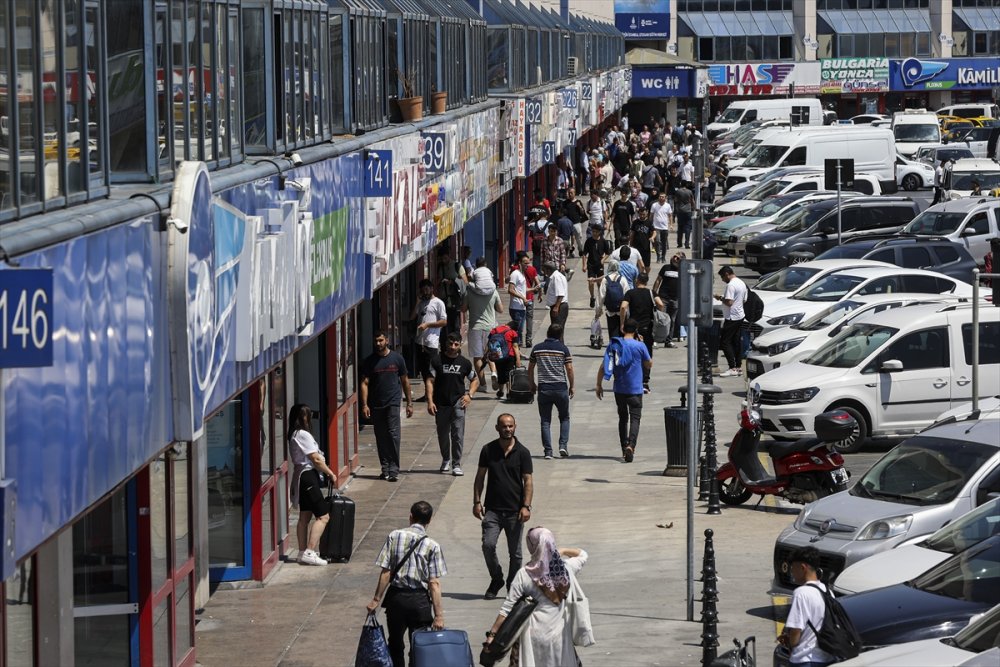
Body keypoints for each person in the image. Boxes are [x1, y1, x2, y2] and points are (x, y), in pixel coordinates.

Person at [484, 527, 588, 667]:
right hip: (559, 637)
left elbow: (506, 609)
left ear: (532, 546)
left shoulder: (524, 574)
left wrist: (492, 635)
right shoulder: (566, 568)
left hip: (531, 637)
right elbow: (583, 555)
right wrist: (562, 551)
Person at [366, 501, 448, 667]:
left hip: (396, 599)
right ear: (429, 520)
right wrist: (438, 615)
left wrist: (376, 599)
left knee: (395, 643)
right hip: (420, 602)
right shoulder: (433, 546)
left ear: (410, 517)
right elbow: (434, 583)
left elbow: (386, 572)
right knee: (419, 646)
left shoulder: (394, 536)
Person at [473, 414, 534, 599]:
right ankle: (497, 578)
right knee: (488, 545)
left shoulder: (523, 452)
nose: (507, 429)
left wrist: (526, 506)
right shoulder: (488, 450)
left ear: (515, 427)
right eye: (504, 426)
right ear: (497, 428)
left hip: (515, 512)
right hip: (492, 510)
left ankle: (512, 585)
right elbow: (480, 477)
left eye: (510, 426)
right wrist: (476, 501)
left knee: (515, 555)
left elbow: (528, 481)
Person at [595, 319, 651, 463]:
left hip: (619, 388)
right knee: (635, 418)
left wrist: (599, 384)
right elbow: (649, 364)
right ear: (636, 329)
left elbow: (604, 366)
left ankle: (623, 446)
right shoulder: (640, 345)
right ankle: (631, 446)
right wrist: (642, 344)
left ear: (623, 329)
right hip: (635, 388)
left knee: (622, 418)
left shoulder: (614, 345)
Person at [288, 404, 338, 566]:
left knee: (305, 516)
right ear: (304, 418)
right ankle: (309, 551)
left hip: (302, 477)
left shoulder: (295, 434)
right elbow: (315, 458)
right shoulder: (303, 434)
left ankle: (302, 552)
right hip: (308, 476)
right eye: (308, 416)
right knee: (323, 516)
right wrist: (330, 473)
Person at [360, 331, 414, 482]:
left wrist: (409, 403)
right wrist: (364, 404)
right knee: (381, 437)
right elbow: (364, 383)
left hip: (393, 403)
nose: (378, 343)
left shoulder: (397, 359)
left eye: (381, 340)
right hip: (376, 405)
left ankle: (394, 469)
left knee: (393, 435)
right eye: (376, 341)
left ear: (387, 341)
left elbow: (405, 381)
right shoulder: (369, 361)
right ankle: (385, 469)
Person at [427, 332, 479, 476]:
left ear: (460, 344)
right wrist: (430, 401)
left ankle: (456, 464)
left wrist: (470, 395)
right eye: (450, 343)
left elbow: (475, 380)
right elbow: (430, 381)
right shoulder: (436, 361)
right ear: (446, 344)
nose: (453, 347)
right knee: (443, 434)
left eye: (456, 344)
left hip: (458, 403)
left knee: (458, 435)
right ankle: (446, 459)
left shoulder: (464, 363)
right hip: (440, 403)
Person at [777, 547, 835, 667]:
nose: (792, 573)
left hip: (805, 659)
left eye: (793, 568)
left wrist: (789, 642)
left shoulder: (801, 593)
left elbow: (796, 632)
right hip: (826, 658)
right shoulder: (828, 591)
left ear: (803, 568)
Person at [528, 324, 575, 459]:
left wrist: (532, 384)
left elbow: (530, 368)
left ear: (547, 333)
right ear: (560, 335)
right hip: (560, 388)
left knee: (545, 420)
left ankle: (548, 451)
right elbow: (570, 369)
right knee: (564, 417)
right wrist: (572, 386)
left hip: (544, 389)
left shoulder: (537, 349)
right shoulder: (563, 349)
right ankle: (563, 446)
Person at [620, 273, 663, 390]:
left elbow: (623, 307)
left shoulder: (630, 293)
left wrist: (622, 323)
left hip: (634, 329)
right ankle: (645, 381)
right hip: (648, 328)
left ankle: (634, 379)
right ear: (647, 281)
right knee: (647, 354)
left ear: (637, 280)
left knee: (634, 353)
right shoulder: (651, 293)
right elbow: (661, 304)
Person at [464, 274, 504, 389]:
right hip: (491, 327)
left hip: (475, 327)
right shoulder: (494, 292)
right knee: (491, 353)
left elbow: (463, 309)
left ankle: (483, 384)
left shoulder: (469, 292)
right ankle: (494, 372)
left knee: (477, 356)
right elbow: (501, 310)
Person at [410, 279, 447, 386]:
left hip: (431, 342)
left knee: (431, 370)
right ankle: (427, 394)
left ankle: (433, 394)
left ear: (432, 289)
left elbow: (444, 321)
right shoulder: (421, 303)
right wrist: (417, 302)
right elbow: (412, 317)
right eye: (423, 290)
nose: (425, 292)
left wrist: (428, 325)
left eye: (427, 289)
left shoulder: (438, 303)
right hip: (419, 341)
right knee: (423, 369)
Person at [716, 265, 747, 378]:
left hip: (732, 317)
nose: (722, 280)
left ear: (727, 274)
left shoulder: (731, 285)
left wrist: (720, 298)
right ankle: (738, 367)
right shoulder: (741, 283)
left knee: (725, 342)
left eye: (723, 277)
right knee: (737, 341)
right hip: (740, 315)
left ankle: (732, 367)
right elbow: (744, 299)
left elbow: (729, 302)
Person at [653, 253, 685, 347]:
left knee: (672, 320)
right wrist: (654, 293)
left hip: (675, 299)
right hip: (663, 298)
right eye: (674, 256)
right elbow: (658, 280)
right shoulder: (665, 267)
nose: (675, 258)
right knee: (659, 319)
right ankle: (655, 339)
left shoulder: (683, 271)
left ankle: (668, 341)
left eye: (678, 258)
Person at [597, 259, 631, 340]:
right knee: (622, 333)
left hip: (610, 311)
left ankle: (613, 349)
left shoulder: (605, 280)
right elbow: (627, 295)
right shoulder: (622, 279)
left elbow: (601, 296)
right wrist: (628, 311)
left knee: (612, 333)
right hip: (621, 312)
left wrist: (598, 311)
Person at [488, 319, 522, 400]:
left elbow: (489, 342)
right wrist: (518, 360)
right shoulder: (513, 333)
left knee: (500, 372)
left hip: (498, 355)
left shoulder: (494, 330)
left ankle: (500, 391)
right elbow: (515, 346)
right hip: (509, 356)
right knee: (509, 374)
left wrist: (487, 354)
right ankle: (509, 392)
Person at [437, 246, 467, 336]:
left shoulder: (457, 266)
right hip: (443, 299)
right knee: (444, 325)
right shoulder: (439, 267)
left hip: (454, 300)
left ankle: (456, 343)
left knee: (455, 324)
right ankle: (445, 346)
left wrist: (452, 282)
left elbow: (465, 282)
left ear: (449, 256)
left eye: (445, 258)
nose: (443, 260)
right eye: (441, 259)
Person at [582, 225, 613, 309]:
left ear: (600, 232)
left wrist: (603, 259)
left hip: (599, 265)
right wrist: (584, 265)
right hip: (591, 264)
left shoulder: (603, 241)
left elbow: (608, 252)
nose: (594, 233)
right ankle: (592, 297)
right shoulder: (589, 241)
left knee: (600, 283)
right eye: (593, 231)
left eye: (596, 232)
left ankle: (601, 298)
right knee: (591, 282)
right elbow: (584, 254)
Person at [542, 262, 569, 340]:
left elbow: (560, 294)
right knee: (557, 331)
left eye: (544, 270)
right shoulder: (555, 276)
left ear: (548, 270)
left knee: (557, 331)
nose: (544, 273)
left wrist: (556, 307)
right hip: (557, 306)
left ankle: (560, 349)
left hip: (559, 307)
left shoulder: (557, 277)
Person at [650, 191, 673, 263]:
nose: (661, 198)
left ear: (665, 198)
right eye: (660, 196)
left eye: (663, 197)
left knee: (664, 243)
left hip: (665, 227)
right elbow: (651, 215)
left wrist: (671, 224)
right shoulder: (654, 205)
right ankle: (658, 257)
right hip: (656, 227)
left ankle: (663, 257)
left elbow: (670, 215)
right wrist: (649, 223)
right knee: (657, 241)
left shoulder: (668, 206)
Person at [674, 182, 695, 250]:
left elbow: (675, 200)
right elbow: (692, 201)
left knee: (680, 227)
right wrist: (693, 208)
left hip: (680, 211)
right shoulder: (690, 191)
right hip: (688, 211)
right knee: (688, 228)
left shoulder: (678, 191)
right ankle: (687, 243)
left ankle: (679, 243)